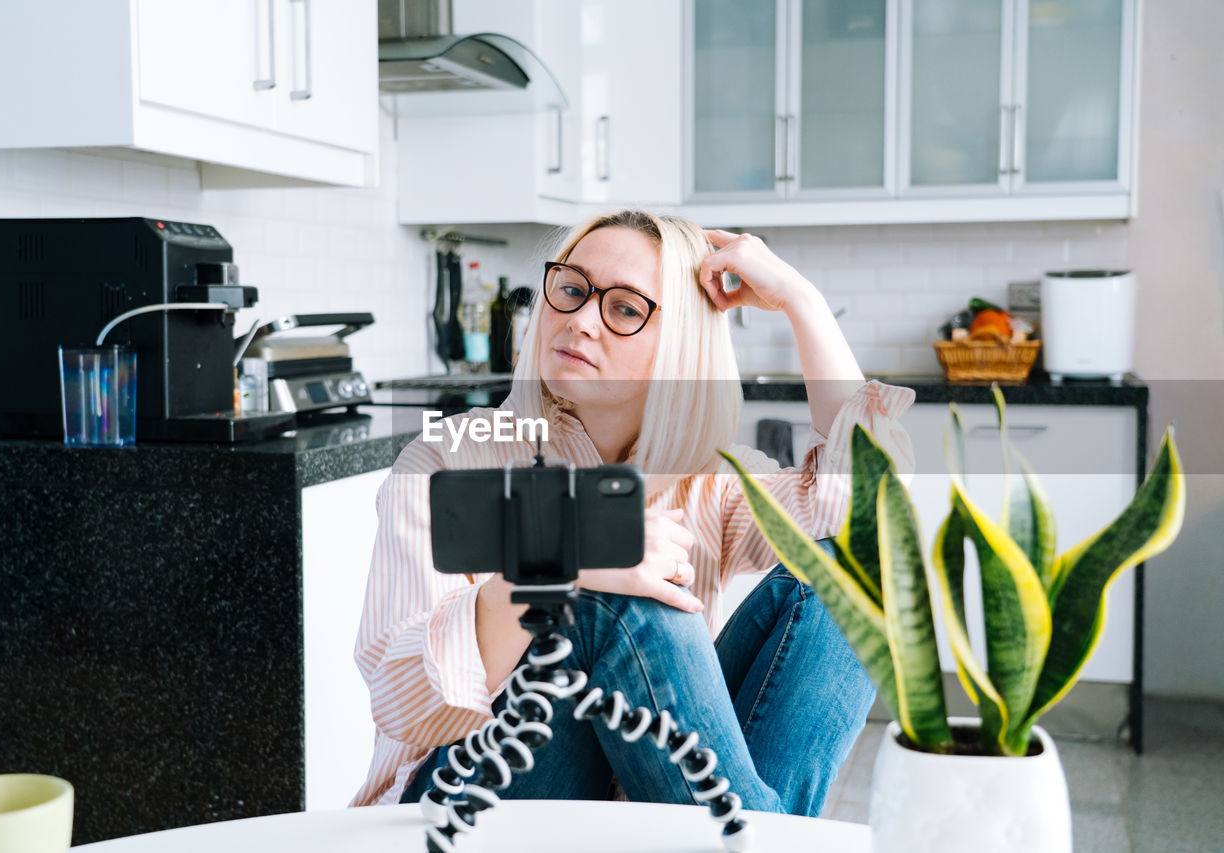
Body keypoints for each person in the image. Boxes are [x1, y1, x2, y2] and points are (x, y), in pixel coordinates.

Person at [350, 210, 915, 816]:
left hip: (638, 813)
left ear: (681, 345)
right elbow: (399, 698)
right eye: (570, 290)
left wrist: (804, 303)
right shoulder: (448, 460)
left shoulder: (714, 480)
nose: (580, 321)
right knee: (615, 574)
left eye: (624, 308)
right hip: (451, 803)